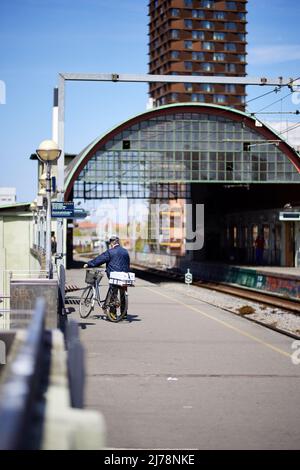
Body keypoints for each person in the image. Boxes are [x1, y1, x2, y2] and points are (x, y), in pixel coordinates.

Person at [84, 236, 130, 318]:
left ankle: (113, 314)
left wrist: (89, 264)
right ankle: (124, 313)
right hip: (125, 276)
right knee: (123, 293)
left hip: (114, 276)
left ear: (112, 243)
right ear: (118, 242)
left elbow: (100, 259)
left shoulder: (110, 252)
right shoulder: (125, 251)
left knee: (113, 292)